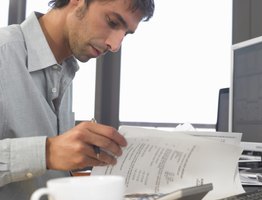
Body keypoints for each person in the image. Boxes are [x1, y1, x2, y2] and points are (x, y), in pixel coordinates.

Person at [0, 0, 154, 199]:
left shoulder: (65, 70)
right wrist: (47, 152)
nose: (115, 45)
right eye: (112, 22)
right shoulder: (3, 54)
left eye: (125, 34)